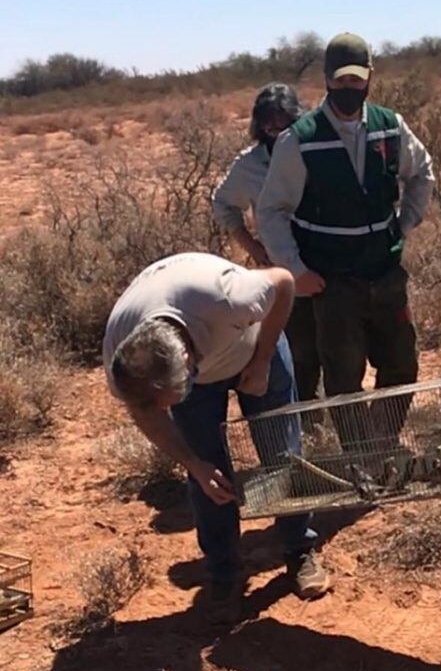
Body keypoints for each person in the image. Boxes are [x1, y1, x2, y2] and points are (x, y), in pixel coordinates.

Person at [103, 252, 330, 626]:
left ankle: (299, 549)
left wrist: (261, 361)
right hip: (197, 370)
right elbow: (145, 411)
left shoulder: (229, 298)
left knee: (283, 455)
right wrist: (193, 463)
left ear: (190, 363)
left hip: (255, 347)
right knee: (207, 478)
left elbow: (284, 283)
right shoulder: (123, 356)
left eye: (171, 401)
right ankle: (223, 575)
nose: (167, 409)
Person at [257, 32, 435, 447]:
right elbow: (270, 211)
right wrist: (296, 270)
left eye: (357, 80)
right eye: (341, 80)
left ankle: (381, 441)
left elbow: (422, 173)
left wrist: (403, 225)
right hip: (332, 279)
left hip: (385, 272)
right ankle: (361, 457)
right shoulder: (299, 138)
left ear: (370, 77)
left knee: (402, 366)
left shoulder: (391, 126)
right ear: (326, 79)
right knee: (342, 377)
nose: (349, 89)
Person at [212, 83, 322, 411]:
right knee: (298, 350)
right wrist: (253, 247)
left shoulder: (315, 149)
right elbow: (222, 204)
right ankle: (307, 418)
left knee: (333, 344)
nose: (275, 131)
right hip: (282, 272)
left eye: (283, 123)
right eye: (267, 125)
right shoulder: (248, 165)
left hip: (323, 260)